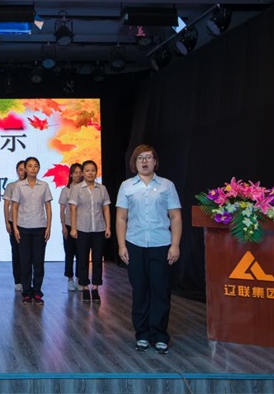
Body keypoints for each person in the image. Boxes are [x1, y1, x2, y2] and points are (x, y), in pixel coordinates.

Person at [116, 144, 182, 355]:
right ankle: (142, 334)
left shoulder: (167, 185)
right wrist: (121, 245)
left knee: (161, 291)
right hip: (135, 244)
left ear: (155, 161)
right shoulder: (126, 186)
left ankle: (160, 335)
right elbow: (121, 217)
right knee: (140, 291)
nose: (144, 161)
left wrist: (175, 245)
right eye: (140, 158)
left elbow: (175, 216)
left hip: (161, 244)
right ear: (134, 163)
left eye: (148, 157)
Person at [11, 156, 53, 305]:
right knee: (25, 262)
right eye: (30, 166)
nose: (33, 168)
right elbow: (14, 207)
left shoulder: (44, 185)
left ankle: (37, 292)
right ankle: (27, 292)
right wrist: (15, 227)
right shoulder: (19, 186)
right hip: (23, 227)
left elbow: (48, 207)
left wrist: (48, 226)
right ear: (25, 169)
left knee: (39, 262)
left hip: (40, 228)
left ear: (39, 168)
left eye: (35, 166)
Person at [69, 160, 111, 303]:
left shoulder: (102, 188)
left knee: (98, 259)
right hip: (82, 228)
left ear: (96, 172)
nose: (90, 173)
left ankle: (96, 287)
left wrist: (108, 227)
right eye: (87, 170)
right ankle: (85, 287)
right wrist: (73, 228)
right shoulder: (77, 188)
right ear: (83, 173)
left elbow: (106, 208)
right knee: (83, 258)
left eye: (93, 170)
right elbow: (73, 209)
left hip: (99, 228)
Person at [58, 163, 82, 292]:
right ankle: (70, 279)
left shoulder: (85, 189)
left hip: (82, 226)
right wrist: (63, 226)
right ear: (71, 174)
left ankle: (79, 278)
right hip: (68, 224)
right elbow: (62, 210)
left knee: (81, 254)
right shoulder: (66, 190)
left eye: (80, 172)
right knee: (69, 254)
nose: (78, 175)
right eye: (75, 172)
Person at [3, 160, 26, 293]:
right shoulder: (12, 186)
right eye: (20, 169)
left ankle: (27, 279)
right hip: (14, 222)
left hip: (28, 223)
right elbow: (7, 205)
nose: (23, 172)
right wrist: (7, 222)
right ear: (17, 171)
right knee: (16, 252)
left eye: (24, 169)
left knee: (27, 254)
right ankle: (18, 280)